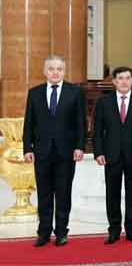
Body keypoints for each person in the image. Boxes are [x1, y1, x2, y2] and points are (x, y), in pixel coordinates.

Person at [23, 55, 86, 247]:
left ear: (64, 71)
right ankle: (43, 233)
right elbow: (29, 123)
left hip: (66, 152)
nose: (55, 72)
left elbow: (80, 123)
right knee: (44, 194)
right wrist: (27, 148)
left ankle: (61, 232)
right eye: (51, 68)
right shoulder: (34, 93)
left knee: (63, 193)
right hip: (41, 152)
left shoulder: (74, 92)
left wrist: (79, 146)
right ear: (45, 72)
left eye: (59, 69)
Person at [93, 66, 132, 244]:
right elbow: (97, 130)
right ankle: (113, 230)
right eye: (120, 78)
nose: (124, 81)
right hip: (111, 156)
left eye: (128, 78)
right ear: (114, 82)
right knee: (112, 193)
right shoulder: (103, 103)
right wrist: (98, 152)